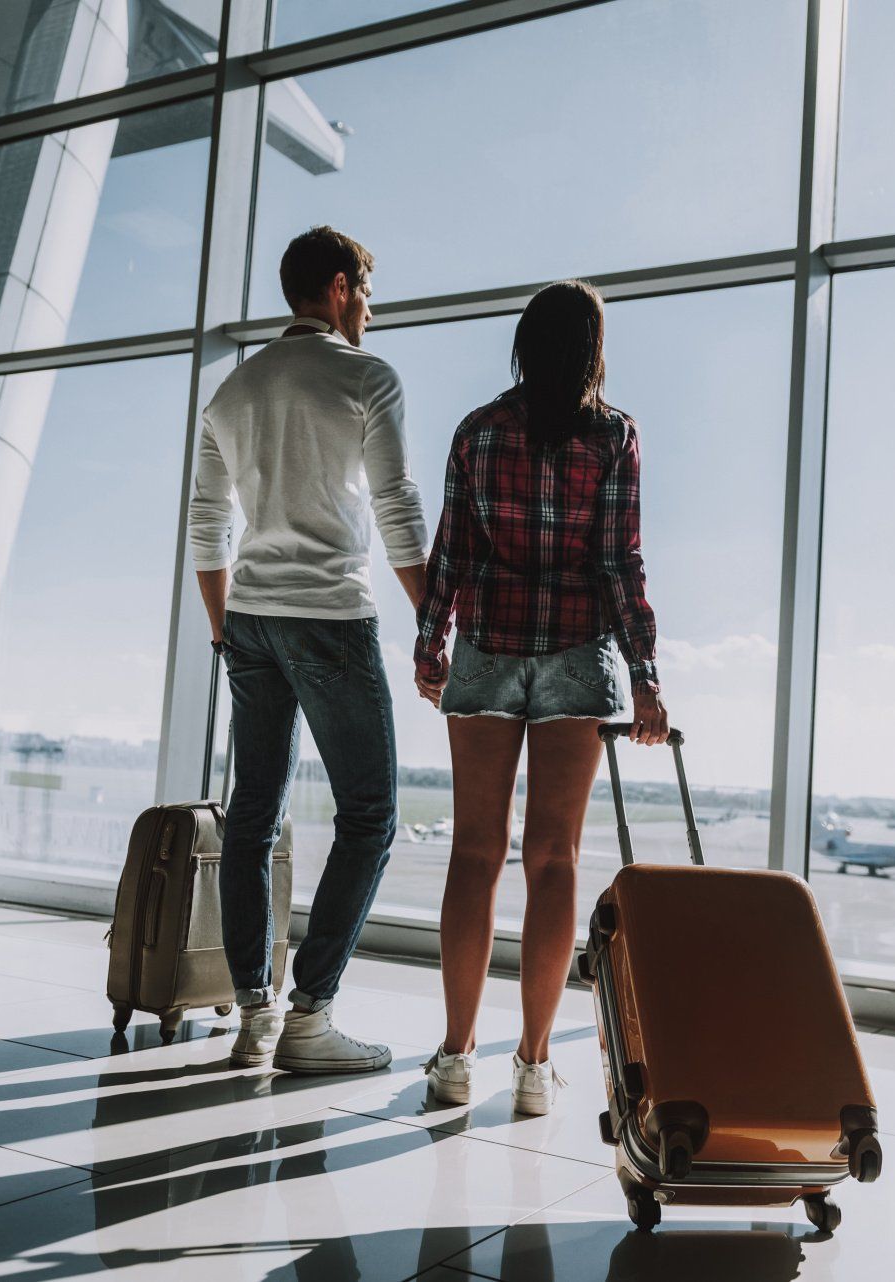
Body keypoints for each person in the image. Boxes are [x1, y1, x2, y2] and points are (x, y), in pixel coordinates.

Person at [413, 280, 669, 1116]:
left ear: (523, 344)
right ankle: (529, 1066)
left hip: (486, 649)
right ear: (593, 349)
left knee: (474, 855)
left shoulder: (478, 432)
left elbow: (450, 550)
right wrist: (645, 676)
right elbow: (619, 564)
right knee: (552, 859)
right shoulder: (614, 438)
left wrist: (431, 645)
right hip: (573, 657)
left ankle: (454, 1058)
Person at [188, 225, 429, 1074]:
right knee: (369, 815)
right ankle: (311, 1016)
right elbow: (397, 505)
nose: (369, 309)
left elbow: (206, 527)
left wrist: (226, 629)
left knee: (253, 814)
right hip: (328, 615)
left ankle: (254, 1012)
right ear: (336, 287)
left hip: (250, 617)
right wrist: (433, 620)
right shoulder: (365, 376)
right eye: (365, 292)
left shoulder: (233, 390)